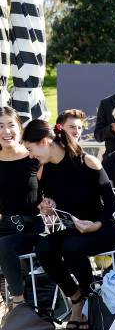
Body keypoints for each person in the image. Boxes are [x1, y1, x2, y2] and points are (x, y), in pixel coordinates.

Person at [22, 119, 115, 330]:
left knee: (71, 247)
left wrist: (95, 224)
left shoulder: (88, 162)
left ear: (45, 141)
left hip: (104, 230)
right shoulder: (42, 171)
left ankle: (88, 297)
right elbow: (46, 202)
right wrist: (46, 206)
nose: (30, 155)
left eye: (30, 149)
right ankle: (77, 297)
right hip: (74, 231)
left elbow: (112, 202)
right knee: (44, 248)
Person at [0, 107, 44, 308]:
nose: (6, 131)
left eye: (11, 125)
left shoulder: (34, 158)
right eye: (0, 126)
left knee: (4, 246)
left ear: (20, 128)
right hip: (3, 227)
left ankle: (18, 302)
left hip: (29, 228)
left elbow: (51, 192)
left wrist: (49, 204)